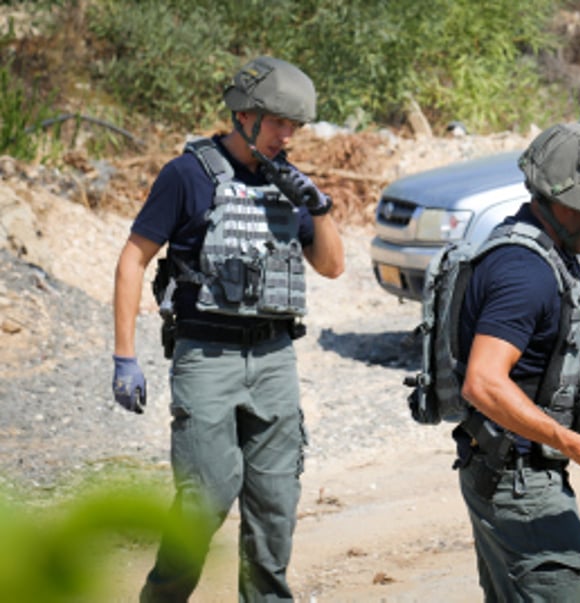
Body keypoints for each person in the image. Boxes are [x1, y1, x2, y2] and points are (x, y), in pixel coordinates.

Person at [111, 56, 344, 602]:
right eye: (278, 123)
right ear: (244, 115)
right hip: (206, 358)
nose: (288, 137)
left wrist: (322, 207)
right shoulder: (186, 175)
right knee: (205, 499)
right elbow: (132, 259)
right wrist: (125, 357)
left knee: (274, 505)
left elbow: (331, 267)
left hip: (274, 359)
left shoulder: (287, 181)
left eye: (295, 126)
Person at [452, 122, 580, 602]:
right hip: (516, 476)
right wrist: (572, 443)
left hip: (514, 467)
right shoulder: (523, 273)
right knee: (565, 586)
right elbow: (482, 382)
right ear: (570, 203)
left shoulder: (555, 249)